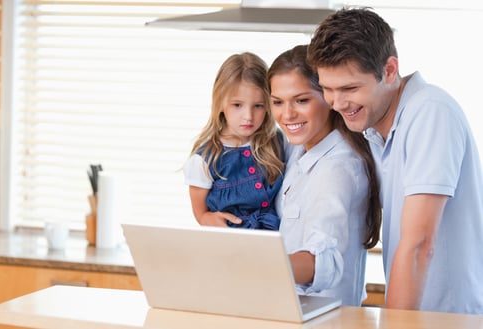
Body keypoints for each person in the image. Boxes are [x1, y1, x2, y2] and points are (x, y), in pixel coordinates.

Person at [307, 7, 483, 314]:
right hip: (419, 316)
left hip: (449, 318)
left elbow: (418, 244)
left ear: (390, 70)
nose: (337, 103)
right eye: (327, 89)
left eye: (349, 88)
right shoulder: (376, 129)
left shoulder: (429, 111)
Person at [268, 44, 382, 306]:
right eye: (277, 102)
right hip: (291, 313)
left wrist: (254, 268)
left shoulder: (337, 169)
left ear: (329, 99)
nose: (287, 115)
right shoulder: (299, 149)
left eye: (302, 100)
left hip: (326, 319)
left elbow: (324, 260)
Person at [183, 52, 285, 230]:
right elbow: (201, 214)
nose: (248, 116)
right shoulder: (205, 159)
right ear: (220, 102)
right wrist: (211, 219)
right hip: (230, 243)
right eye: (237, 105)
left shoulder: (277, 142)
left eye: (258, 106)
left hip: (273, 241)